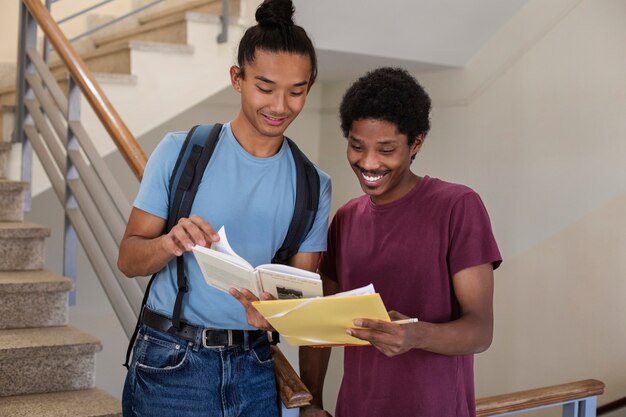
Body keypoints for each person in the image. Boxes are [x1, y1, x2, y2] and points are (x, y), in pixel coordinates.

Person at [117, 1, 331, 416]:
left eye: (297, 91)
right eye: (265, 88)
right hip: (171, 364)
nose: (280, 106)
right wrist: (168, 243)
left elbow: (300, 298)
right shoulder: (181, 151)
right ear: (237, 78)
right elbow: (129, 260)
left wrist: (275, 315)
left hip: (255, 367)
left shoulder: (313, 184)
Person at [298, 67, 502, 417]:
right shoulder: (345, 219)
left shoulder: (457, 207)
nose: (369, 162)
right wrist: (311, 402)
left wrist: (416, 336)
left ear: (416, 143)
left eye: (386, 149)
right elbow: (321, 323)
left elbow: (480, 330)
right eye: (357, 146)